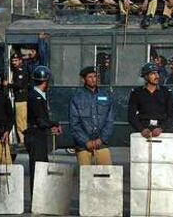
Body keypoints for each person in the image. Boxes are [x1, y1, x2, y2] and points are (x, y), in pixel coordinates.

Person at [24, 66, 62, 195]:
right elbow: (40, 120)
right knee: (38, 168)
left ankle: (41, 197)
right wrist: (54, 124)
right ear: (46, 81)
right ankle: (37, 197)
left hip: (39, 135)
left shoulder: (39, 95)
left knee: (42, 166)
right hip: (35, 135)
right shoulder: (35, 97)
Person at [69, 66, 115, 165]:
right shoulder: (76, 97)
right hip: (83, 146)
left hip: (102, 144)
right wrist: (86, 141)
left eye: (95, 76)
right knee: (85, 176)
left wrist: (101, 139)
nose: (93, 79)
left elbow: (110, 120)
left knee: (107, 174)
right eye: (90, 77)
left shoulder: (106, 95)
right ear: (83, 79)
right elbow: (74, 123)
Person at [128, 62, 173, 138]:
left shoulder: (166, 92)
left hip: (162, 130)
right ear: (145, 76)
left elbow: (171, 116)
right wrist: (141, 129)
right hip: (143, 129)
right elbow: (131, 116)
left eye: (157, 73)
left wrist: (161, 128)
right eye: (153, 74)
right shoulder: (136, 93)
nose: (157, 76)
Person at [6, 53, 29, 145]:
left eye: (16, 61)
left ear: (20, 61)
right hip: (20, 99)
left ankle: (23, 141)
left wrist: (8, 84)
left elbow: (19, 85)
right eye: (12, 61)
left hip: (21, 99)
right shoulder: (16, 70)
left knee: (21, 121)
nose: (14, 63)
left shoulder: (20, 71)